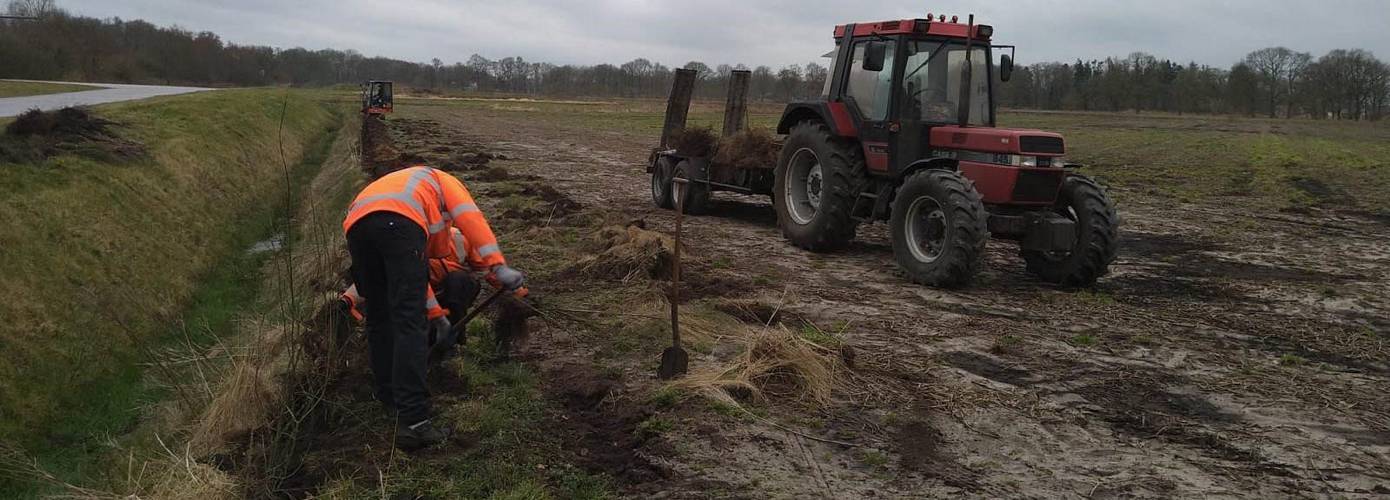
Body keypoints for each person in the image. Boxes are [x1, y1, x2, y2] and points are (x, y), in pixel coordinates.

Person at [343, 165, 524, 450]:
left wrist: (438, 318)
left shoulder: (405, 187)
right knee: (409, 323)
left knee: (380, 317)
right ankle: (415, 421)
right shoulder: (444, 181)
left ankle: (389, 397)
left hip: (357, 228)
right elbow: (471, 218)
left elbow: (415, 280)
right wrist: (499, 267)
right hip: (397, 225)